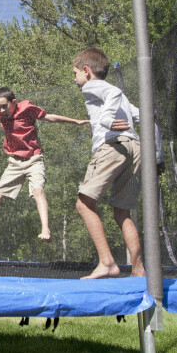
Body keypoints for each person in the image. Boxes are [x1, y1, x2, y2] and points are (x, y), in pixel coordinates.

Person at [0, 87, 126, 241]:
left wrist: (75, 121)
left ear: (13, 102)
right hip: (14, 162)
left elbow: (49, 117)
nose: (1, 111)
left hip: (34, 160)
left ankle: (45, 229)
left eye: (4, 106)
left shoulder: (26, 109)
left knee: (38, 192)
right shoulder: (0, 115)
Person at [72, 47, 162, 279]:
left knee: (84, 205)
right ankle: (139, 270)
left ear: (86, 70)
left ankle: (107, 262)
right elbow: (147, 118)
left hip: (112, 146)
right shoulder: (122, 100)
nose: (75, 80)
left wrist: (106, 120)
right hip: (135, 148)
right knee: (122, 212)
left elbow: (113, 92)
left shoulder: (93, 86)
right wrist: (157, 155)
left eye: (75, 74)